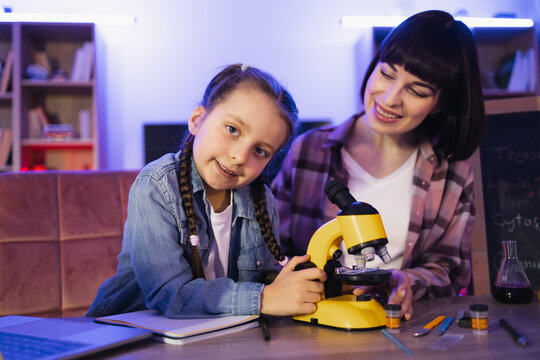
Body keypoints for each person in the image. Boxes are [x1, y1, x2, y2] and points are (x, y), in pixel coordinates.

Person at [271, 10, 485, 321]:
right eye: (386, 73)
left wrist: (406, 281)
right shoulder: (310, 151)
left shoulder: (453, 173)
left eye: (417, 91)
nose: (390, 98)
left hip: (398, 323)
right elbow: (271, 245)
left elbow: (449, 268)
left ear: (439, 103)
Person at [87, 64, 327, 318]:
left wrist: (307, 288)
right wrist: (264, 298)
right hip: (131, 332)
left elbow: (268, 278)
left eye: (260, 151)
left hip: (215, 336)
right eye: (232, 129)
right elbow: (170, 295)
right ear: (197, 121)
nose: (239, 156)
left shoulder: (261, 199)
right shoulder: (155, 185)